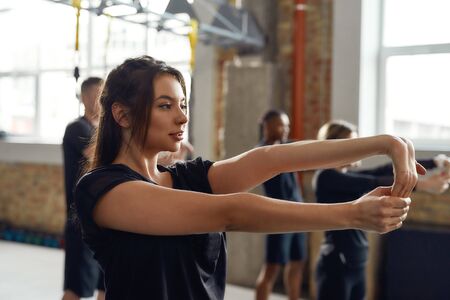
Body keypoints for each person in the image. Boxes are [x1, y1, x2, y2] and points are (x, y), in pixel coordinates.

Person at [74, 55, 424, 300]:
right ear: (121, 114)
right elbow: (233, 212)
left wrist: (386, 143)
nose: (182, 118)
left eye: (183, 105)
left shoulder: (183, 177)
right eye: (165, 106)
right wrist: (352, 214)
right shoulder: (104, 190)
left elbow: (270, 158)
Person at [313, 120, 450, 300]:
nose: (358, 150)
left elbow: (383, 170)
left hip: (357, 262)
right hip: (336, 265)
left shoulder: (346, 174)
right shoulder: (325, 177)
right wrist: (424, 185)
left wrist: (434, 161)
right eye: (352, 144)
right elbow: (373, 182)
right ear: (338, 147)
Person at [255, 110, 307, 300]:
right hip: (278, 219)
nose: (286, 129)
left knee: (297, 262)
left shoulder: (286, 146)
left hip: (298, 216)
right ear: (267, 127)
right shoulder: (261, 152)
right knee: (272, 268)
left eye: (287, 125)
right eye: (281, 125)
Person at [62, 77, 105, 300]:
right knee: (76, 288)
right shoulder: (77, 128)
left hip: (102, 216)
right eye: (100, 95)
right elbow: (97, 155)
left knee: (106, 284)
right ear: (88, 97)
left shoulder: (104, 130)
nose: (104, 100)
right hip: (79, 217)